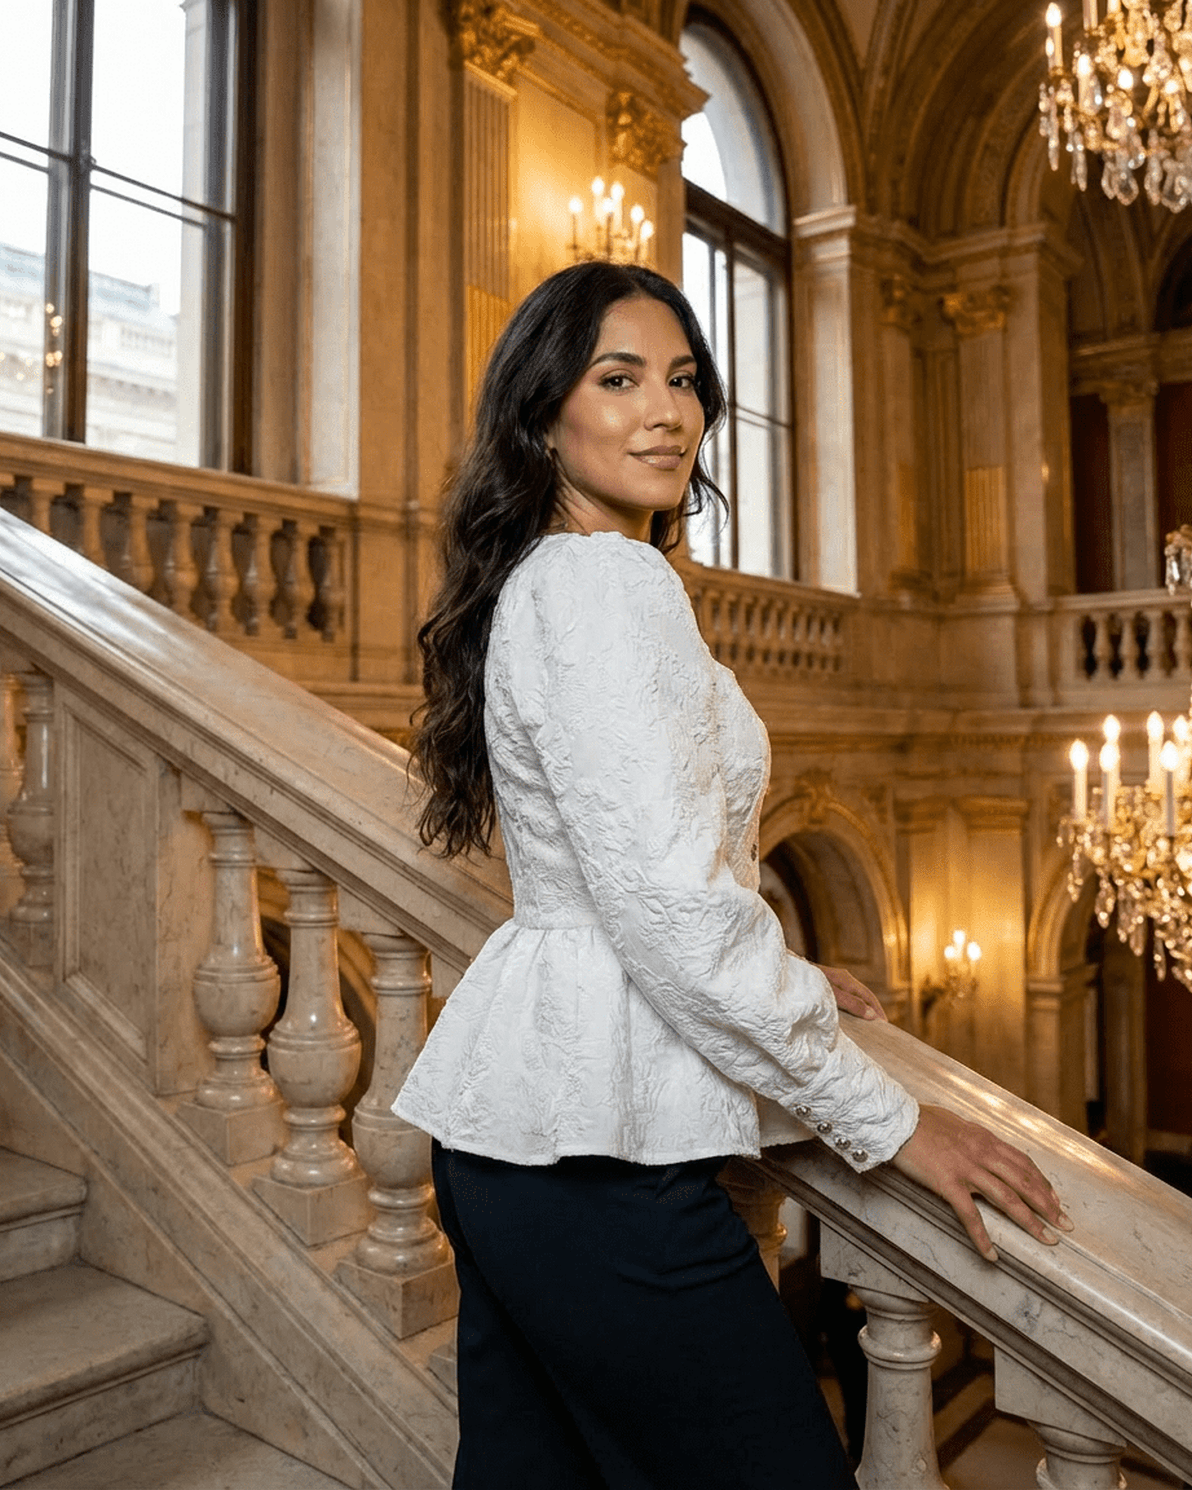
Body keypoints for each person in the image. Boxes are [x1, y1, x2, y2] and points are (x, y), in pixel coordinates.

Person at [394, 261, 1071, 1489]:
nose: (668, 412)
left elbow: (630, 871)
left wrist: (785, 967)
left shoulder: (547, 576)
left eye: (685, 381)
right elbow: (669, 907)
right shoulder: (605, 581)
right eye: (619, 379)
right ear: (543, 415)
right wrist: (892, 1121)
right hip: (596, 1165)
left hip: (517, 1139)